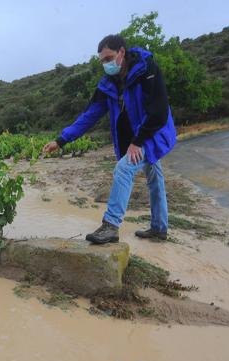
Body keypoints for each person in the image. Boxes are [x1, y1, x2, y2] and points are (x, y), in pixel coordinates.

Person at [42, 34, 177, 244]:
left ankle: (111, 226)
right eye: (102, 61)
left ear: (121, 52)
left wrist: (138, 141)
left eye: (108, 58)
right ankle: (159, 228)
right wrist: (61, 140)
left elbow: (159, 112)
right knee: (154, 176)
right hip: (137, 137)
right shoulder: (108, 84)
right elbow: (88, 116)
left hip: (153, 132)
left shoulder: (147, 70)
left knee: (124, 168)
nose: (106, 64)